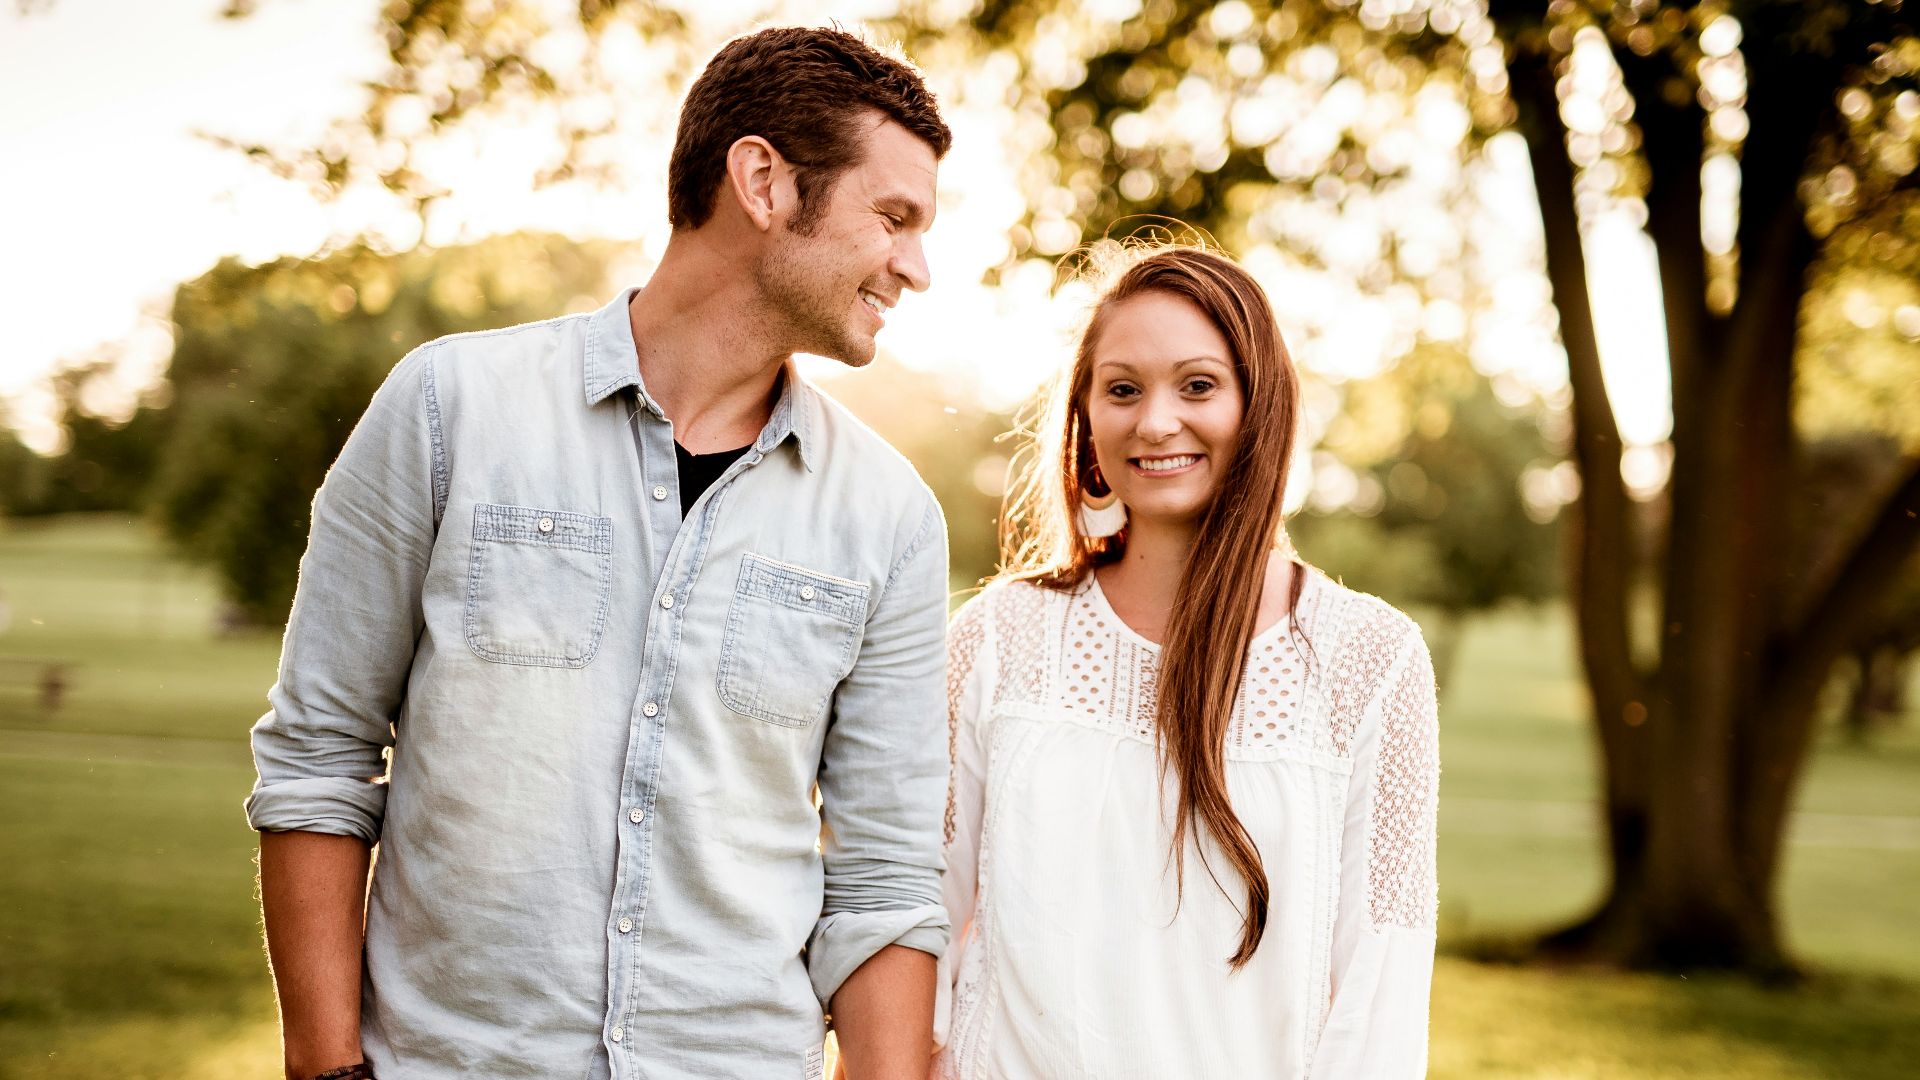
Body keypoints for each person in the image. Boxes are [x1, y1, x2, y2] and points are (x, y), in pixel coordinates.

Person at [246, 27, 954, 1080]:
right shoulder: (451, 410)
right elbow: (319, 757)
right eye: (891, 217)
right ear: (762, 180)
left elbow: (886, 877)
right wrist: (327, 1066)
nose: (917, 267)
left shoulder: (891, 514)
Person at [934, 245, 1440, 1078]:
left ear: (1259, 407)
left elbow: (1380, 989)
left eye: (1198, 385)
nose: (1156, 421)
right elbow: (916, 915)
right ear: (1087, 423)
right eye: (1123, 388)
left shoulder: (1370, 660)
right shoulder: (998, 638)